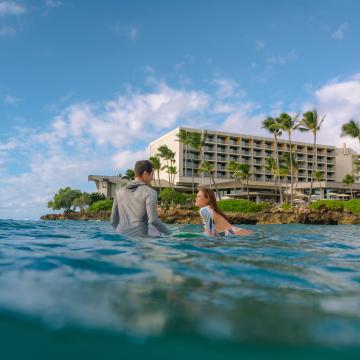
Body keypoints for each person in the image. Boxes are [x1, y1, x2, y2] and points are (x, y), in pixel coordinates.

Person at [110, 160, 172, 237]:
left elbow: (113, 222)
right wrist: (171, 235)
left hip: (121, 238)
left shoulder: (119, 192)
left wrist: (123, 234)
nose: (152, 178)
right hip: (140, 240)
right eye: (152, 175)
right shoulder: (150, 192)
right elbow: (154, 221)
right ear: (145, 174)